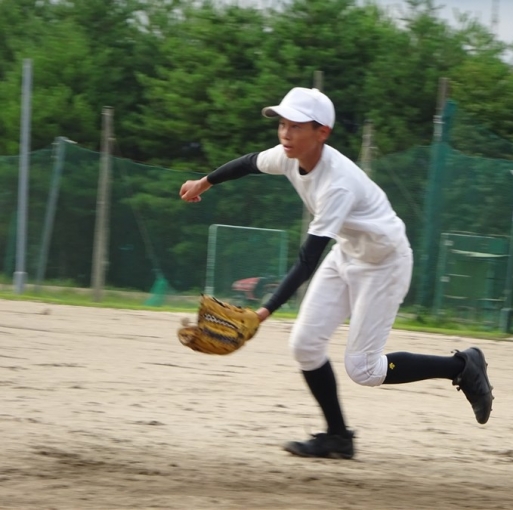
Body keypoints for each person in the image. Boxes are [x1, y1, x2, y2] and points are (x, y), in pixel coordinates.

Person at [179, 87, 494, 460]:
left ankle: (462, 366)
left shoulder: (337, 184)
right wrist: (204, 182)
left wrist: (261, 313)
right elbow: (249, 162)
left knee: (364, 369)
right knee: (304, 346)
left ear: (322, 132)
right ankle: (338, 437)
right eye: (282, 124)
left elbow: (307, 259)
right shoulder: (288, 156)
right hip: (347, 253)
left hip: (384, 263)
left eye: (296, 126)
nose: (285, 133)